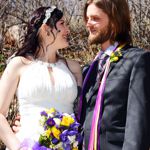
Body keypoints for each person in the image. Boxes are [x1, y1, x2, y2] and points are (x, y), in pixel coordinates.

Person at [0, 6, 82, 150]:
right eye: (62, 24)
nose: (67, 30)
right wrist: (18, 147)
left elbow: (82, 111)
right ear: (45, 29)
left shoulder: (73, 68)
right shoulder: (19, 64)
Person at [77, 0, 150, 150]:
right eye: (87, 18)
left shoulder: (137, 60)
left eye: (95, 18)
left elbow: (137, 125)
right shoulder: (88, 69)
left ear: (114, 22)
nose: (88, 24)